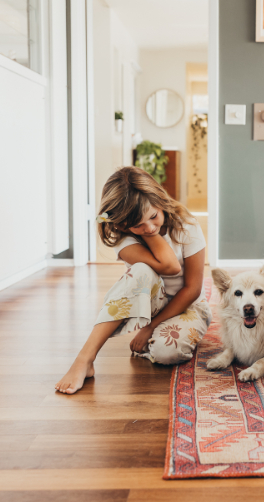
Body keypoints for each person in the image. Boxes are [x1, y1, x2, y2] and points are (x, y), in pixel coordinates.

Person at [55, 167, 210, 394]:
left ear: (160, 199)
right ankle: (85, 359)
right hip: (152, 304)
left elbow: (191, 286)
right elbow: (168, 265)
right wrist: (150, 231)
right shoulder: (124, 238)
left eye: (154, 217)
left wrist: (149, 329)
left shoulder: (187, 225)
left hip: (189, 305)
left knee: (166, 353)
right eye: (138, 225)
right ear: (122, 225)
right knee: (140, 271)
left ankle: (160, 335)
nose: (149, 228)